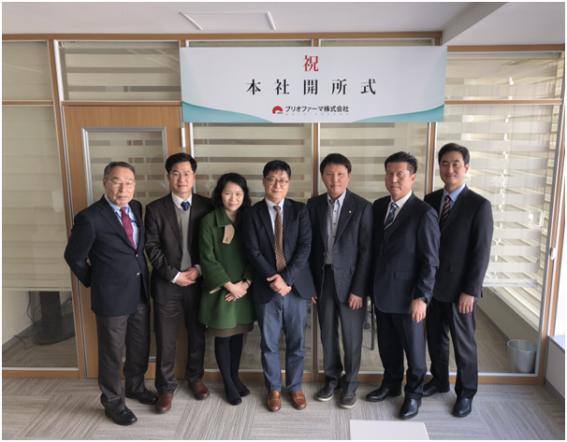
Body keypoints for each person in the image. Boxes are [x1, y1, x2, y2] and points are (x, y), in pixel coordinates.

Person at [64, 161, 157, 426]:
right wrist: (95, 281)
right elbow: (74, 257)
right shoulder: (89, 218)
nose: (123, 188)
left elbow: (135, 250)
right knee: (112, 353)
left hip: (139, 291)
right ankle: (113, 402)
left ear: (135, 185)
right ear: (105, 183)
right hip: (111, 297)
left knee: (139, 345)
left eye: (129, 182)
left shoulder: (136, 207)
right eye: (117, 182)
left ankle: (135, 386)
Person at [366, 151, 440, 420]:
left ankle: (414, 393)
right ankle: (391, 383)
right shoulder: (378, 206)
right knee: (387, 345)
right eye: (390, 173)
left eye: (400, 174)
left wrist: (422, 296)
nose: (394, 179)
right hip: (382, 292)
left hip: (410, 297)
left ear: (413, 177)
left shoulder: (424, 213)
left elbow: (430, 260)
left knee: (415, 351)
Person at [423, 143, 493, 418]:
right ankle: (439, 380)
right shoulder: (430, 200)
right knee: (435, 339)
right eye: (444, 163)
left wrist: (470, 291)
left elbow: (481, 253)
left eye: (455, 164)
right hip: (431, 287)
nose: (449, 169)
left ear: (466, 167)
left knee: (464, 344)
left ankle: (466, 392)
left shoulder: (479, 205)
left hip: (460, 290)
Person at [242, 160, 316, 413]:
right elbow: (252, 250)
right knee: (269, 343)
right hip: (267, 288)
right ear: (264, 181)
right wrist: (274, 278)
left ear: (289, 183)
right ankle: (273, 388)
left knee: (297, 341)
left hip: (295, 289)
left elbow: (305, 247)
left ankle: (295, 386)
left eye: (282, 180)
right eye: (272, 179)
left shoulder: (300, 210)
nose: (277, 184)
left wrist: (287, 279)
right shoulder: (252, 213)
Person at [144, 153, 213, 413]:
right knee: (166, 339)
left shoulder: (208, 206)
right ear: (168, 177)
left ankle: (195, 378)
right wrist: (174, 275)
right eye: (176, 173)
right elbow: (151, 247)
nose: (182, 179)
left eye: (186, 173)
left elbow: (213, 246)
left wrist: (198, 269)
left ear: (194, 176)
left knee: (197, 334)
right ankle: (166, 388)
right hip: (166, 284)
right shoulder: (155, 209)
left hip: (198, 282)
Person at [307, 153, 373, 409]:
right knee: (327, 333)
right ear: (322, 176)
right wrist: (310, 286)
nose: (334, 179)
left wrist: (359, 289)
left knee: (352, 336)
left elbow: (367, 252)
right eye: (329, 174)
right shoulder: (313, 205)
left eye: (340, 174)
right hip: (323, 278)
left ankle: (351, 383)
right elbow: (308, 248)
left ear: (348, 176)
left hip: (351, 283)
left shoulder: (362, 207)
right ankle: (332, 379)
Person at [198, 173, 255, 406]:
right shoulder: (209, 221)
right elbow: (207, 258)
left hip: (244, 288)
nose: (233, 198)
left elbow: (257, 254)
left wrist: (245, 284)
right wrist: (230, 285)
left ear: (245, 195)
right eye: (228, 193)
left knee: (238, 334)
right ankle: (228, 383)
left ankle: (235, 376)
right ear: (219, 194)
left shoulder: (250, 219)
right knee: (223, 336)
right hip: (221, 289)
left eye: (238, 193)